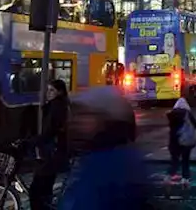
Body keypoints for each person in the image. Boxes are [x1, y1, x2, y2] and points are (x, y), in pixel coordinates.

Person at [57, 87, 151, 209]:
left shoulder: (114, 165)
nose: (76, 122)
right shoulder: (92, 159)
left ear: (107, 121)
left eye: (86, 116)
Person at [29, 80, 70, 210]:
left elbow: (49, 131)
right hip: (55, 152)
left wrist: (31, 142)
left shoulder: (57, 107)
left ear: (60, 92)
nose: (48, 93)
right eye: (47, 90)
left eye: (51, 90)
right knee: (45, 191)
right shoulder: (59, 105)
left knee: (36, 191)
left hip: (52, 153)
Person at [166, 97, 196, 187]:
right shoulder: (187, 114)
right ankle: (185, 179)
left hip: (174, 142)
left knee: (174, 160)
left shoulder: (171, 115)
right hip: (185, 141)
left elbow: (171, 129)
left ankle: (169, 176)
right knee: (185, 160)